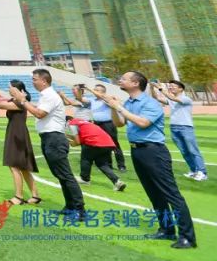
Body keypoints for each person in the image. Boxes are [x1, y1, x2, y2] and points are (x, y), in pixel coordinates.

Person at [103, 72, 197, 249]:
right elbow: (119, 123)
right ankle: (167, 229)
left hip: (154, 152)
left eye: (124, 78)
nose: (120, 80)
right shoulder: (129, 103)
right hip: (137, 151)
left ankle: (187, 237)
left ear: (136, 83)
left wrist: (120, 107)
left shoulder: (150, 103)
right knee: (154, 194)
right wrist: (113, 107)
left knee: (171, 194)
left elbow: (143, 123)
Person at [10, 69, 85, 219]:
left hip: (54, 139)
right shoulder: (46, 95)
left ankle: (79, 209)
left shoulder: (50, 95)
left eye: (35, 79)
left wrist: (22, 100)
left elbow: (39, 113)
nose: (33, 82)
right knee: (60, 174)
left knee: (65, 175)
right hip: (50, 138)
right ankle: (70, 206)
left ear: (44, 81)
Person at [0, 81, 40, 205]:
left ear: (17, 89)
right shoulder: (16, 101)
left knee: (14, 166)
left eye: (10, 87)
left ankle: (18, 197)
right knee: (23, 168)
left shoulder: (19, 102)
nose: (8, 88)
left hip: (17, 133)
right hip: (17, 132)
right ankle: (35, 196)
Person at [152, 80, 208, 181]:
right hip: (174, 127)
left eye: (173, 86)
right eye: (170, 86)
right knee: (184, 151)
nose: (171, 88)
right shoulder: (172, 99)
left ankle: (202, 172)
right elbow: (157, 98)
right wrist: (153, 88)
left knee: (193, 150)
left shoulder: (186, 99)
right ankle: (193, 171)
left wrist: (162, 89)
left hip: (186, 127)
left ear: (181, 89)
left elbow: (171, 97)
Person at [67, 115, 126, 191]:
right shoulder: (84, 123)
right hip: (108, 142)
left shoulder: (72, 124)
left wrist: (70, 143)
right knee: (102, 164)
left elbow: (77, 142)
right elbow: (83, 137)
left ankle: (84, 179)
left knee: (86, 158)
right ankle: (117, 181)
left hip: (95, 142)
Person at [84, 84, 127, 171]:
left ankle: (121, 165)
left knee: (114, 144)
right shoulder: (93, 100)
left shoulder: (107, 99)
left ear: (103, 92)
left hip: (108, 124)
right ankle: (108, 164)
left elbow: (101, 96)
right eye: (94, 89)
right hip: (97, 124)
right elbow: (81, 99)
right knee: (103, 145)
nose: (94, 91)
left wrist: (89, 88)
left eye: (97, 90)